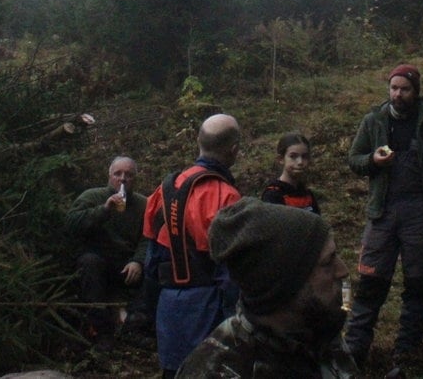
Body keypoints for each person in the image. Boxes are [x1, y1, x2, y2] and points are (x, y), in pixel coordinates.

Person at [344, 63, 423, 374]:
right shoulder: (374, 120)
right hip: (382, 213)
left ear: (416, 92)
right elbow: (354, 159)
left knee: (417, 286)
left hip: (420, 213)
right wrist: (373, 160)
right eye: (394, 88)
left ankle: (406, 356)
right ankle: (353, 355)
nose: (398, 94)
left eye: (404, 89)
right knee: (370, 284)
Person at [176, 198, 356, 378]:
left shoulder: (318, 331)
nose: (343, 271)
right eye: (327, 262)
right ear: (284, 284)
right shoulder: (217, 370)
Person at [143, 113, 244, 379]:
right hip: (207, 306)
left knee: (172, 372)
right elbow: (230, 269)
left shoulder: (163, 190)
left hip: (168, 306)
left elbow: (151, 261)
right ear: (233, 150)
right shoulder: (226, 195)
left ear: (198, 141)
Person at [64, 155, 148, 349]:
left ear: (135, 178)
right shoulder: (92, 196)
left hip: (127, 263)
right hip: (98, 260)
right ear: (110, 176)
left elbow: (149, 238)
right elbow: (71, 224)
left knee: (158, 268)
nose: (123, 179)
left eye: (128, 174)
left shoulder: (143, 204)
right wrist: (104, 210)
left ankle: (136, 327)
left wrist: (138, 261)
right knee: (89, 263)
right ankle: (102, 331)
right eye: (118, 174)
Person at [261, 131, 321, 213]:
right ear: (281, 159)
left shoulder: (307, 194)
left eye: (304, 156)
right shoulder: (273, 195)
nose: (300, 162)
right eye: (293, 156)